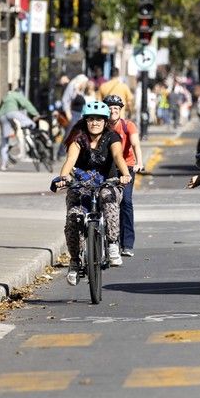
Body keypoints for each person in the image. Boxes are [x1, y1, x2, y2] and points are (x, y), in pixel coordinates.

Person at [52, 101, 132, 284]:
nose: (94, 123)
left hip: (108, 183)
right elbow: (70, 160)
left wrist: (125, 175)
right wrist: (63, 177)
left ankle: (112, 244)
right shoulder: (79, 139)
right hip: (82, 185)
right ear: (85, 121)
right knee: (74, 217)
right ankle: (74, 262)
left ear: (105, 121)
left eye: (99, 119)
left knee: (107, 198)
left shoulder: (112, 137)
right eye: (91, 119)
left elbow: (118, 156)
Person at [105, 95, 144, 257]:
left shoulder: (128, 125)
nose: (113, 111)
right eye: (110, 108)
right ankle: (107, 241)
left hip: (126, 167)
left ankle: (127, 244)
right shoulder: (101, 125)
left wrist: (139, 163)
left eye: (116, 108)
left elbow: (135, 144)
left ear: (120, 110)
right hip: (108, 167)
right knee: (106, 201)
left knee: (126, 201)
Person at [0, 85, 40, 171]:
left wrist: (1, 123)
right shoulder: (17, 94)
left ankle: (3, 164)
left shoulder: (6, 96)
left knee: (4, 140)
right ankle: (31, 134)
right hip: (12, 112)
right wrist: (35, 114)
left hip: (2, 116)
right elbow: (26, 104)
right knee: (31, 123)